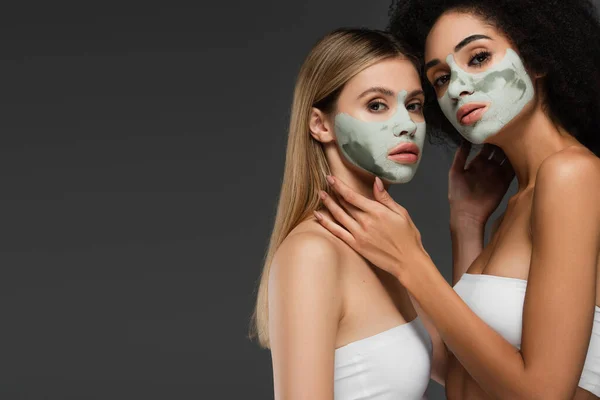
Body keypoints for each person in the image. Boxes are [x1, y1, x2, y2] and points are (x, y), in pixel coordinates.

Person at [315, 1, 600, 399]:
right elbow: (462, 368)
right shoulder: (518, 204)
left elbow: (543, 394)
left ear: (537, 58)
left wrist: (411, 262)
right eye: (441, 79)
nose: (459, 87)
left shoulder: (572, 175)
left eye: (479, 57)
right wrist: (466, 224)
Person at [250, 28, 448, 399]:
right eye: (377, 105)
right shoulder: (313, 252)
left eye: (415, 104)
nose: (406, 123)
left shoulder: (390, 240)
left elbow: (461, 372)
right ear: (320, 125)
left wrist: (465, 224)